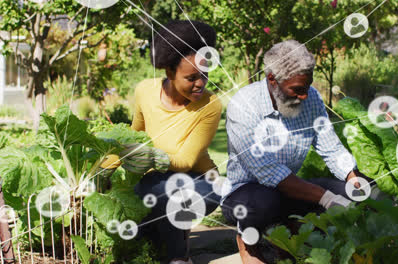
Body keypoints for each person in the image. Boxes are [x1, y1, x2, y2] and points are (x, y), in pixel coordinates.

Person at [221, 40, 376, 263]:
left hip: (291, 188)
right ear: (272, 79)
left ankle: (288, 234)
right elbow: (267, 171)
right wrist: (326, 198)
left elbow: (330, 146)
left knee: (355, 193)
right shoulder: (244, 105)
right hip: (247, 192)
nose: (304, 96)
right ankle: (248, 244)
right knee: (262, 204)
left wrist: (353, 178)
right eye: (297, 90)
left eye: (307, 86)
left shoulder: (311, 98)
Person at [101, 20, 222, 264]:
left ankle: (178, 258)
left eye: (205, 75)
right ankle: (165, 238)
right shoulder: (145, 91)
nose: (200, 83)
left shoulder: (210, 105)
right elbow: (133, 135)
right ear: (169, 72)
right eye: (191, 77)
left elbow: (186, 161)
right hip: (157, 181)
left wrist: (149, 156)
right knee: (152, 199)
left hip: (202, 183)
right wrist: (104, 171)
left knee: (163, 194)